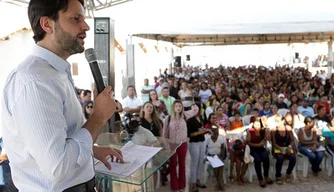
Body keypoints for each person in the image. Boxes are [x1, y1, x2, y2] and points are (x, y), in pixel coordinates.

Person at [1, 0, 123, 191]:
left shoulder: (55, 73)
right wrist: (98, 118)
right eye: (76, 19)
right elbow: (58, 167)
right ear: (47, 24)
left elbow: (61, 139)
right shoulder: (34, 81)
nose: (86, 26)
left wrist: (91, 149)